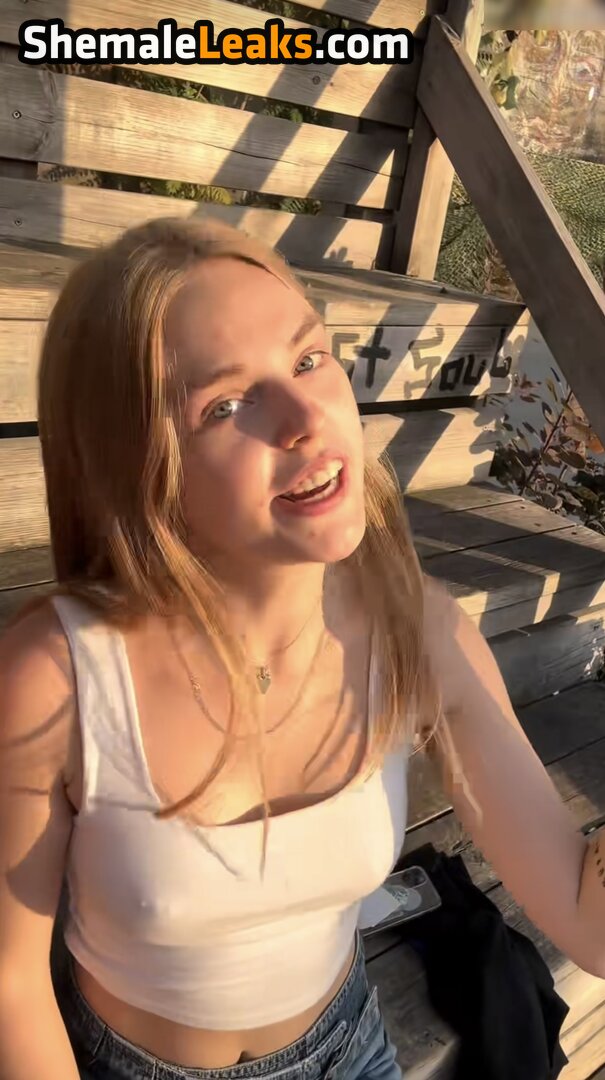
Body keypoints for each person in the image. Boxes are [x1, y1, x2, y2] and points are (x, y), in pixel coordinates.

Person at [0, 218, 603, 1080]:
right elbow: (11, 983)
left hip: (344, 1048)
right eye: (224, 405)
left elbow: (587, 923)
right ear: (137, 465)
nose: (304, 419)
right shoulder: (58, 677)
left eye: (309, 358)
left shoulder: (418, 632)